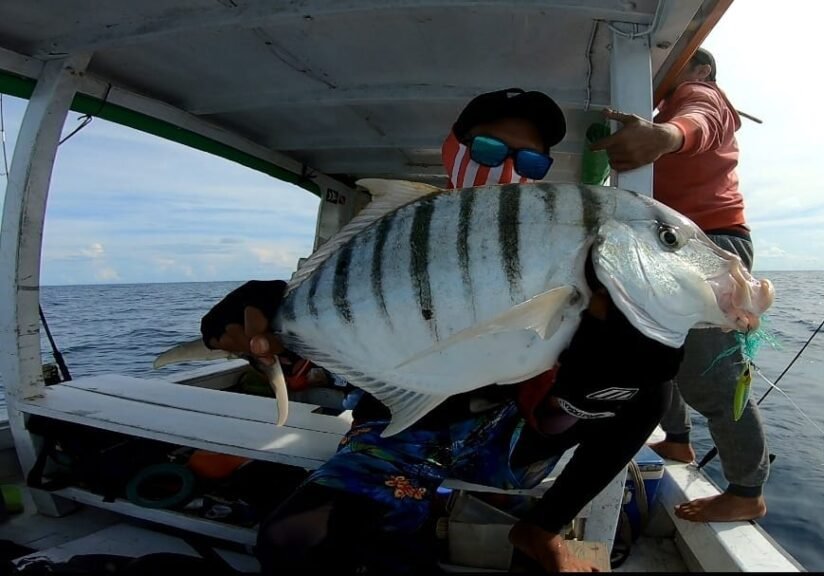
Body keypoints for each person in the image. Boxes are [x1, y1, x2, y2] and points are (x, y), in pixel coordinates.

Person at [199, 88, 685, 573]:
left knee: (651, 385)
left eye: (530, 162)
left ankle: (541, 528)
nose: (506, 169)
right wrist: (267, 308)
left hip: (507, 433)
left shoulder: (552, 248)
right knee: (293, 541)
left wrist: (591, 381)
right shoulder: (400, 233)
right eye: (489, 150)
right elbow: (355, 297)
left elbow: (558, 389)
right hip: (399, 431)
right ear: (454, 149)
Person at [590, 48, 771, 523]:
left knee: (713, 377)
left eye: (683, 61)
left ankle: (746, 490)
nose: (667, 68)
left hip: (709, 247)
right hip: (672, 246)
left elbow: (700, 120)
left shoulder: (700, 94)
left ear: (703, 69)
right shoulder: (666, 107)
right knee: (662, 353)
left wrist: (663, 136)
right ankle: (677, 440)